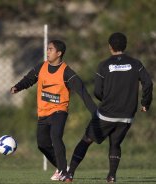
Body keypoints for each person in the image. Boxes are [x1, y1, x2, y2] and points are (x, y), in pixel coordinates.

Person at [65, 32, 153, 183]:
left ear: (110, 47)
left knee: (86, 140)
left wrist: (106, 99)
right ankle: (111, 176)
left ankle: (70, 174)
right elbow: (148, 83)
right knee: (115, 143)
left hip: (106, 114)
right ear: (125, 46)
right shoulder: (136, 64)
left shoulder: (104, 65)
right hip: (126, 115)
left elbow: (97, 92)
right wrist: (145, 103)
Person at [10, 40, 96, 181]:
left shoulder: (67, 72)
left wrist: (95, 113)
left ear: (59, 53)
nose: (47, 52)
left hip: (59, 111)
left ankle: (63, 172)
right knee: (42, 144)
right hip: (43, 113)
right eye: (47, 49)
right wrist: (17, 87)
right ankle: (62, 167)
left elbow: (82, 92)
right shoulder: (41, 67)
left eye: (50, 49)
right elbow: (29, 79)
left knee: (55, 136)